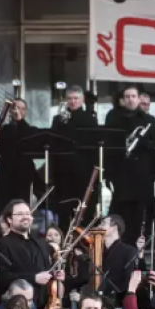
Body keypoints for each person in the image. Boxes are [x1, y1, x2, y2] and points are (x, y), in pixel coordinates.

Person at [105, 85, 155, 244]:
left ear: (138, 98)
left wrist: (146, 144)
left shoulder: (147, 120)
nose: (130, 99)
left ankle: (140, 248)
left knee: (140, 214)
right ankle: (119, 245)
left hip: (142, 176)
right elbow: (107, 144)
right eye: (127, 97)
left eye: (133, 96)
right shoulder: (113, 118)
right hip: (121, 174)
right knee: (120, 212)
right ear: (122, 100)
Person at [0, 200, 62, 309]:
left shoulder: (41, 243)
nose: (25, 216)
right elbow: (1, 277)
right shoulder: (3, 244)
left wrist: (55, 274)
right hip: (20, 308)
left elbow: (45, 270)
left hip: (46, 306)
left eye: (27, 213)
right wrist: (33, 278)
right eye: (20, 214)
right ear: (9, 219)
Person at [50, 85, 98, 229]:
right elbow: (53, 144)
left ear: (82, 100)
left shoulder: (90, 119)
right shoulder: (58, 119)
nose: (72, 101)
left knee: (84, 211)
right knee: (64, 211)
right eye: (70, 98)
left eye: (76, 98)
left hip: (83, 172)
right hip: (63, 173)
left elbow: (92, 147)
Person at [0, 99, 43, 214]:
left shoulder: (29, 130)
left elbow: (28, 141)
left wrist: (20, 121)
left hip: (22, 176)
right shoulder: (3, 129)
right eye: (16, 108)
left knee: (21, 208)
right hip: (5, 176)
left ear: (25, 112)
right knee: (3, 209)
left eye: (22, 109)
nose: (18, 111)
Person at [97, 215, 137, 300]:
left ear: (114, 228)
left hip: (117, 302)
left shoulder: (129, 251)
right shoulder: (97, 252)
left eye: (103, 224)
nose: (99, 227)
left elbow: (128, 281)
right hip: (98, 302)